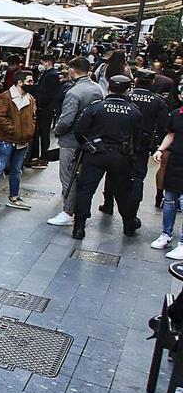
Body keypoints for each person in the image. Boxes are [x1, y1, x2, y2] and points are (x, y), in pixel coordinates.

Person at [70, 75, 143, 240]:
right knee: (123, 192)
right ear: (127, 89)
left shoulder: (96, 107)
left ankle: (79, 227)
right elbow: (138, 137)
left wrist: (87, 146)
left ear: (108, 88)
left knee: (85, 190)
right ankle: (128, 224)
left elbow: (79, 129)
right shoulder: (134, 111)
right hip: (120, 156)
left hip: (95, 154)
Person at [47, 57, 106, 227]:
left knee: (68, 176)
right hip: (90, 140)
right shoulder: (98, 89)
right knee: (79, 176)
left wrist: (57, 131)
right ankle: (72, 209)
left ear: (73, 70)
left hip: (71, 139)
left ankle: (67, 211)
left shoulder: (74, 92)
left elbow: (66, 120)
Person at [106, 69, 169, 217]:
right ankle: (132, 210)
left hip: (120, 141)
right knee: (138, 176)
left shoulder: (126, 96)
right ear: (152, 82)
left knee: (112, 172)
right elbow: (162, 126)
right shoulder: (158, 100)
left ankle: (108, 203)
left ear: (136, 81)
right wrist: (157, 146)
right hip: (142, 144)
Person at [0, 71, 37, 210]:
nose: (32, 84)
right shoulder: (6, 97)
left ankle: (14, 197)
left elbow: (33, 117)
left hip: (22, 140)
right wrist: (14, 130)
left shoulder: (30, 98)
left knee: (16, 170)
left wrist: (29, 130)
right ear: (20, 82)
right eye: (29, 81)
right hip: (6, 139)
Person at [152, 107, 183, 257]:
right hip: (176, 161)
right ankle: (166, 234)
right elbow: (171, 134)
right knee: (169, 199)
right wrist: (160, 149)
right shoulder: (177, 114)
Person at [28, 56, 61, 168]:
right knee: (40, 133)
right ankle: (38, 156)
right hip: (45, 108)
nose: (40, 65)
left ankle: (44, 157)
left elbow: (46, 94)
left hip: (45, 109)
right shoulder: (48, 74)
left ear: (48, 63)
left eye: (42, 63)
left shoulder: (51, 75)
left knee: (44, 133)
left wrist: (39, 105)